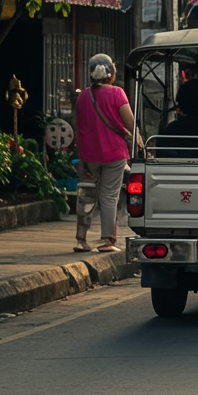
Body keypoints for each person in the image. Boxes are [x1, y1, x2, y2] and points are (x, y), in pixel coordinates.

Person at [73, 54, 135, 253]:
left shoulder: (83, 96)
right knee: (109, 196)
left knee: (87, 195)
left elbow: (79, 127)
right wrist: (139, 142)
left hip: (90, 155)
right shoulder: (118, 93)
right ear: (111, 73)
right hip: (114, 154)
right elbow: (130, 123)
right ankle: (108, 241)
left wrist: (82, 158)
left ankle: (81, 241)